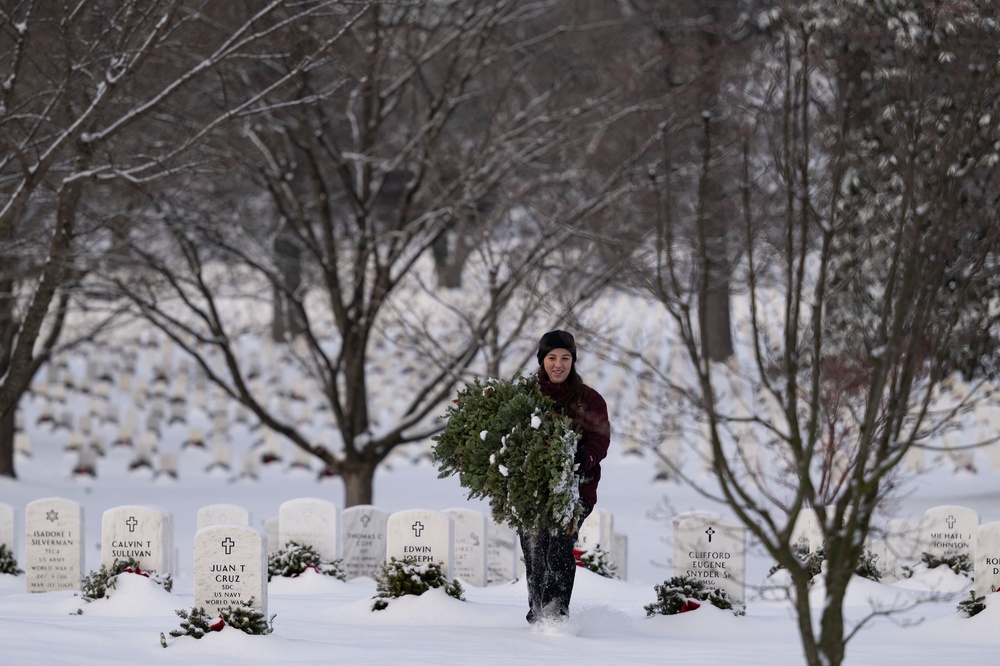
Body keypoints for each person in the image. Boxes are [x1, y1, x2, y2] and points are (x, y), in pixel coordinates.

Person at [520, 329, 611, 624]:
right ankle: (538, 613)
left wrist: (584, 458)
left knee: (559, 543)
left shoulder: (589, 400)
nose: (558, 364)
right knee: (535, 546)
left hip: (576, 489)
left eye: (565, 358)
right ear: (541, 360)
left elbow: (600, 439)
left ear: (573, 361)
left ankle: (556, 613)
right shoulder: (524, 397)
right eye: (551, 357)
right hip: (530, 490)